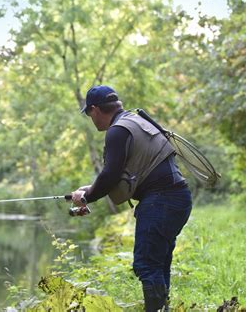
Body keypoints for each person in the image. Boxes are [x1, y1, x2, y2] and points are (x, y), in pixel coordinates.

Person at [71, 85, 192, 312]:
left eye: (88, 113)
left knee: (146, 264)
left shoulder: (117, 130)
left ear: (95, 109)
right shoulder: (135, 121)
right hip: (178, 198)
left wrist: (86, 197)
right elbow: (126, 174)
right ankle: (162, 309)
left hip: (160, 200)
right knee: (159, 261)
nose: (90, 118)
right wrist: (90, 189)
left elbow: (109, 175)